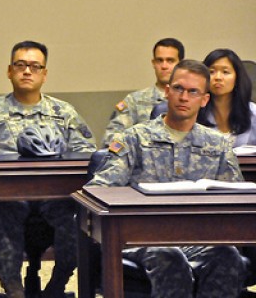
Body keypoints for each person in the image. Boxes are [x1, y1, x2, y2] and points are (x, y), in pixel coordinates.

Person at [88, 59, 247, 297]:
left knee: (227, 254)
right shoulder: (135, 138)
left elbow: (237, 196)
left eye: (193, 91)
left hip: (197, 236)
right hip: (140, 237)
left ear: (204, 100)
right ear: (167, 91)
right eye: (179, 89)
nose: (184, 97)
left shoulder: (218, 144)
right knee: (168, 256)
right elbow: (100, 189)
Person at [0, 40, 97, 298]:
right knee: (2, 211)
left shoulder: (64, 113)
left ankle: (56, 287)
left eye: (35, 66)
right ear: (9, 71)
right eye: (21, 65)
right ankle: (14, 290)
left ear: (44, 74)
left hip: (56, 198)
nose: (27, 71)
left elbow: (87, 155)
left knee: (77, 219)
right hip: (9, 197)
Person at [101, 38, 185, 146]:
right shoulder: (135, 101)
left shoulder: (190, 100)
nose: (164, 66)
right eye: (159, 60)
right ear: (153, 63)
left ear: (181, 64)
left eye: (170, 61)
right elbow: (111, 139)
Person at [198, 48, 256, 146]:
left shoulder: (252, 112)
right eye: (212, 72)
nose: (218, 77)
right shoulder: (196, 111)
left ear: (237, 77)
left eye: (225, 72)